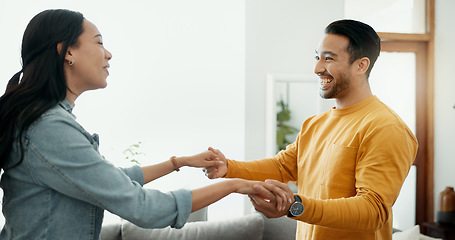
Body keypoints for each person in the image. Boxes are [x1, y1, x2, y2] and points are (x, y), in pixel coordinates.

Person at [0, 9, 289, 240]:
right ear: (67, 52)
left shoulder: (46, 123)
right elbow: (143, 208)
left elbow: (110, 178)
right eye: (99, 42)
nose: (108, 54)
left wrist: (178, 162)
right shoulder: (50, 129)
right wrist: (235, 185)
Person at [206, 19, 419, 240]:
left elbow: (373, 211)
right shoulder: (315, 124)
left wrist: (295, 206)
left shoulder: (386, 127)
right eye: (318, 57)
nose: (317, 69)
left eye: (329, 58)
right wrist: (227, 167)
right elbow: (283, 166)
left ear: (361, 65)